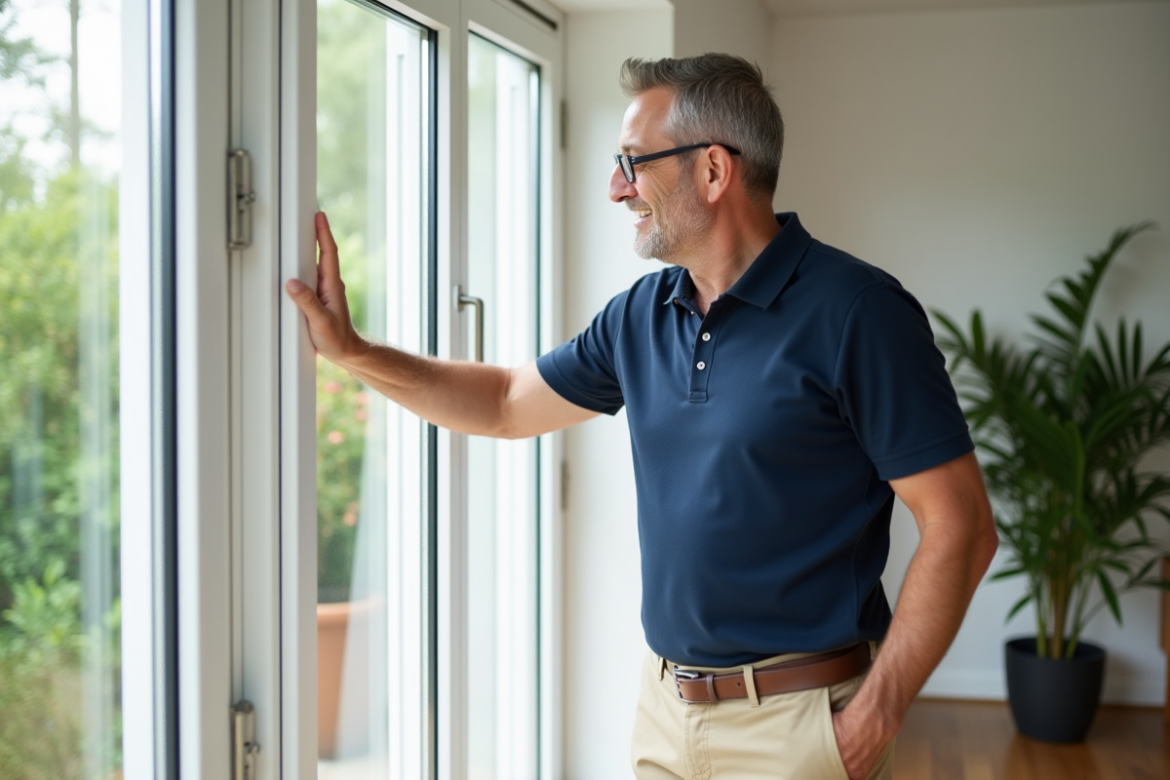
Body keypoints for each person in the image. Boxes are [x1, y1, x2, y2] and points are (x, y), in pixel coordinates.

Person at [286, 53, 998, 780]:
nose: (615, 188)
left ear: (714, 170)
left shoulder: (858, 313)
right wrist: (353, 352)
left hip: (801, 724)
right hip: (666, 714)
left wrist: (874, 715)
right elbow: (504, 402)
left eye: (633, 162)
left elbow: (961, 525)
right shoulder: (642, 314)